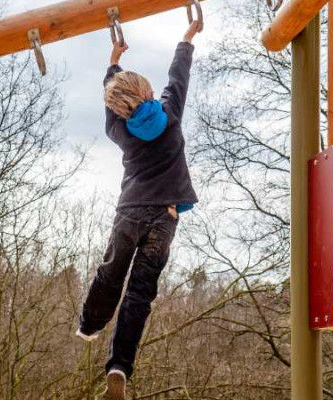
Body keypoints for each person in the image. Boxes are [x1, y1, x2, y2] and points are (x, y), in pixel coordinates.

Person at [76, 19, 203, 400]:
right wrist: (186, 39)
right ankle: (118, 365)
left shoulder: (120, 130)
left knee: (111, 272)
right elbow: (179, 76)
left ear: (118, 109)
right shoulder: (171, 115)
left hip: (129, 212)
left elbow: (111, 103)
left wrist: (112, 63)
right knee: (140, 293)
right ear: (148, 92)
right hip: (163, 218)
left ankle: (90, 323)